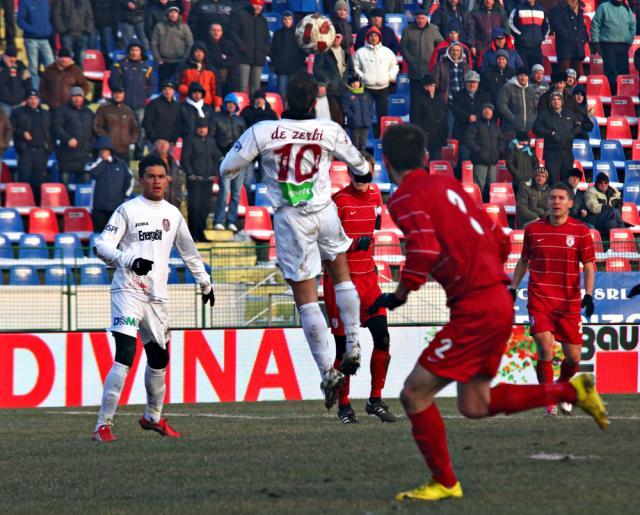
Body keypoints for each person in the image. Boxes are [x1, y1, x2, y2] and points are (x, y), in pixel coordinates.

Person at [371, 123, 607, 503]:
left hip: (477, 306)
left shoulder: (401, 198)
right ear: (427, 158)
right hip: (494, 298)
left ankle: (445, 481)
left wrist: (398, 296)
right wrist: (492, 280)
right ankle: (570, 388)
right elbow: (498, 237)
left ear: (385, 162)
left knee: (414, 393)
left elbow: (423, 250)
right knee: (474, 404)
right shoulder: (450, 188)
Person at [220, 72, 371, 409]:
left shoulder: (263, 130)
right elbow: (363, 171)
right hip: (326, 210)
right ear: (315, 102)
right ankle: (355, 344)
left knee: (306, 298)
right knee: (341, 275)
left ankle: (327, 372)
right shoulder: (329, 130)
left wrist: (258, 161)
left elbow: (227, 168)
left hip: (292, 218)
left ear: (285, 102)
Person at [91, 154, 215, 442]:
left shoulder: (172, 214)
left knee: (159, 358)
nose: (157, 181)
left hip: (157, 296)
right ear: (141, 179)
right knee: (125, 355)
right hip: (129, 290)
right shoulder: (127, 210)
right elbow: (101, 246)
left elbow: (189, 251)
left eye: (161, 176)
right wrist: (130, 260)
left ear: (167, 179)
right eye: (151, 176)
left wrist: (205, 282)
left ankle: (153, 418)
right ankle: (102, 426)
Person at [511, 181, 597, 417]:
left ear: (570, 203)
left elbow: (589, 266)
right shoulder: (533, 230)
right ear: (546, 202)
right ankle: (549, 400)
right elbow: (523, 261)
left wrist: (588, 295)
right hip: (540, 299)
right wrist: (512, 287)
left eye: (561, 198)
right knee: (545, 347)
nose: (556, 202)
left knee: (574, 358)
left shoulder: (580, 231)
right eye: (552, 198)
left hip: (569, 303)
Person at [323, 173, 397, 424]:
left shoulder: (376, 194)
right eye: (356, 173)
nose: (361, 179)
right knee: (344, 350)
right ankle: (344, 406)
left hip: (368, 282)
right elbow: (326, 244)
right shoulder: (339, 201)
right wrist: (355, 245)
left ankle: (375, 400)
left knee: (383, 338)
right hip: (342, 282)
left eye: (365, 174)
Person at [111, 40, 157, 159]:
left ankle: (138, 154)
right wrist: (120, 93)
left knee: (140, 131)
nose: (134, 52)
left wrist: (145, 96)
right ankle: (121, 154)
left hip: (140, 105)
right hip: (123, 104)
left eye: (137, 50)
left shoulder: (147, 67)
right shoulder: (120, 65)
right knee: (121, 130)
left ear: (141, 52)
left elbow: (152, 85)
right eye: (132, 50)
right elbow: (113, 81)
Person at [400, 9, 444, 123]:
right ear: (415, 18)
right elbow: (403, 47)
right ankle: (414, 125)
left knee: (429, 100)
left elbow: (441, 46)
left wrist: (435, 61)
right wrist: (410, 60)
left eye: (422, 18)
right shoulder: (407, 30)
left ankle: (428, 124)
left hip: (430, 73)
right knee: (415, 103)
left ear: (426, 19)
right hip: (414, 73)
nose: (420, 20)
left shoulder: (433, 29)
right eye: (418, 18)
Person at [354, 26, 399, 133]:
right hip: (367, 88)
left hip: (383, 88)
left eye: (376, 35)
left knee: (382, 114)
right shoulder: (360, 52)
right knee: (365, 113)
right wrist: (363, 77)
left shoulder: (387, 52)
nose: (373, 38)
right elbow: (355, 67)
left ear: (379, 38)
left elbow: (395, 66)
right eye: (371, 35)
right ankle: (366, 138)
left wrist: (389, 76)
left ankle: (381, 136)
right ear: (367, 38)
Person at [212, 93, 246, 231]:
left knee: (236, 192)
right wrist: (220, 156)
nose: (230, 105)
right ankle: (219, 220)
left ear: (236, 105)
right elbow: (213, 140)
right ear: (224, 104)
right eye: (228, 103)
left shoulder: (240, 120)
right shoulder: (217, 119)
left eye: (233, 103)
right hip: (224, 160)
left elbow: (246, 140)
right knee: (225, 191)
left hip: (239, 161)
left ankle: (231, 220)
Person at [182, 118, 220, 241]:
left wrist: (214, 172)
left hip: (207, 180)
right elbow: (185, 159)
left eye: (204, 127)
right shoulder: (189, 140)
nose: (202, 130)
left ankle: (201, 233)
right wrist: (191, 173)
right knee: (194, 207)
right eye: (200, 127)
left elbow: (216, 158)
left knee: (205, 207)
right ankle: (192, 234)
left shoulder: (211, 141)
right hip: (194, 181)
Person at [10, 89, 51, 204]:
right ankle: (22, 204)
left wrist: (49, 148)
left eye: (36, 98)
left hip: (41, 151)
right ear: (26, 100)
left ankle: (37, 206)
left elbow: (50, 132)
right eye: (31, 98)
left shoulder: (46, 114)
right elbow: (11, 129)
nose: (33, 101)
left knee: (38, 182)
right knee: (24, 180)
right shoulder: (18, 112)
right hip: (25, 150)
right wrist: (22, 133)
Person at [85, 136, 133, 232]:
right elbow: (92, 173)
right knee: (98, 235)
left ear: (110, 150)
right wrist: (102, 160)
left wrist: (123, 195)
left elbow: (130, 180)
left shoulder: (121, 164)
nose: (103, 152)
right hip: (98, 208)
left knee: (115, 235)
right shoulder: (91, 163)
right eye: (101, 150)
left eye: (106, 149)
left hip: (116, 208)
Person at [532, 91, 581, 184]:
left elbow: (578, 124)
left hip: (567, 152)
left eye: (558, 99)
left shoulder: (569, 113)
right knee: (551, 181)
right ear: (550, 102)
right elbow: (536, 128)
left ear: (562, 101)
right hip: (552, 153)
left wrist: (572, 134)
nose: (556, 101)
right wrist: (550, 133)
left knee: (568, 181)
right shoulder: (544, 115)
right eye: (553, 99)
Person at [591, 0, 636, 95]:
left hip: (623, 45)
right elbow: (595, 24)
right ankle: (611, 95)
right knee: (610, 71)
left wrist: (629, 41)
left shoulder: (627, 8)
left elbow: (633, 25)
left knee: (623, 72)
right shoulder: (603, 7)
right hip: (608, 45)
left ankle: (624, 96)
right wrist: (596, 42)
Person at [51, 86, 94, 184]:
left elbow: (94, 131)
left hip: (84, 156)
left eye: (79, 96)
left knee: (83, 189)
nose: (77, 98)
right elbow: (56, 128)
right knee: (64, 187)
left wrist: (91, 145)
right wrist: (67, 139)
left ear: (83, 97)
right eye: (74, 96)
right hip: (67, 155)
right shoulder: (62, 111)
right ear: (70, 97)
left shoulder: (88, 112)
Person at [465, 103, 504, 201]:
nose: (488, 112)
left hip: (493, 161)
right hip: (480, 161)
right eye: (485, 110)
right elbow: (469, 140)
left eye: (490, 110)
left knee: (492, 186)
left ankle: (490, 208)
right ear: (481, 112)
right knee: (479, 186)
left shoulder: (496, 126)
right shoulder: (475, 124)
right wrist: (479, 151)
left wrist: (499, 151)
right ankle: (477, 207)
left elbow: (502, 140)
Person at [231, 0, 270, 96]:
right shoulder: (241, 15)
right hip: (243, 57)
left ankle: (254, 109)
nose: (257, 7)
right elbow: (233, 33)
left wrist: (264, 50)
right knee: (242, 87)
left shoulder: (263, 20)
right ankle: (242, 109)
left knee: (256, 89)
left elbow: (267, 38)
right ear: (251, 4)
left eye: (260, 5)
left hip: (258, 58)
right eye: (255, 4)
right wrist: (241, 47)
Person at [94, 81, 139, 163]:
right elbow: (97, 126)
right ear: (112, 94)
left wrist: (131, 140)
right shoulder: (104, 109)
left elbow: (135, 129)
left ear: (124, 94)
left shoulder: (128, 111)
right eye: (115, 93)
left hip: (124, 150)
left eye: (120, 93)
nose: (118, 95)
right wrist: (106, 140)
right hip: (108, 150)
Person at [17, 0, 55, 91]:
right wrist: (32, 30)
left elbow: (49, 17)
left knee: (51, 67)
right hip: (31, 40)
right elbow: (20, 20)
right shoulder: (25, 2)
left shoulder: (45, 2)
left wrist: (49, 30)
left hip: (45, 39)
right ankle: (36, 93)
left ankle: (51, 91)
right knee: (33, 68)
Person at [151, 5, 193, 84]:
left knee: (179, 85)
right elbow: (154, 44)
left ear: (178, 14)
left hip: (180, 62)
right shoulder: (159, 26)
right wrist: (158, 58)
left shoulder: (184, 27)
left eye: (175, 12)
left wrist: (185, 58)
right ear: (167, 14)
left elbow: (190, 43)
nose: (173, 14)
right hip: (164, 62)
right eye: (171, 12)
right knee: (163, 86)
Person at [271, 11, 306, 100]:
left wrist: (299, 64)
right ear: (282, 20)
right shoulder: (277, 33)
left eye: (289, 19)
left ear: (293, 20)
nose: (287, 21)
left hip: (295, 69)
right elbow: (273, 50)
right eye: (285, 19)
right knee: (282, 93)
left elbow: (303, 51)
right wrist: (277, 64)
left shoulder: (298, 34)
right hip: (281, 69)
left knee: (294, 93)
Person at [176, 42, 221, 109]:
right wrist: (189, 91)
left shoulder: (211, 69)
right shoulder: (184, 66)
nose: (199, 54)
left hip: (206, 103)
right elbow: (176, 83)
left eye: (201, 52)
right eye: (197, 51)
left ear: (205, 54)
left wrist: (217, 104)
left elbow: (216, 88)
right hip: (187, 102)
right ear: (192, 53)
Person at [414, 74, 448, 160]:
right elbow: (415, 120)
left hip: (438, 138)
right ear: (423, 87)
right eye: (427, 86)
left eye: (432, 86)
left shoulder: (439, 99)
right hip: (424, 139)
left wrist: (444, 133)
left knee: (436, 164)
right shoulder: (418, 99)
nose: (430, 89)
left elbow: (444, 117)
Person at [497, 65, 537, 139]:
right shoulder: (508, 87)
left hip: (527, 130)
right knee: (512, 150)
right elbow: (501, 105)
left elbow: (535, 108)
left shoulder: (530, 90)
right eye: (521, 75)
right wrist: (513, 119)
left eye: (525, 76)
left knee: (526, 150)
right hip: (510, 129)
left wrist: (532, 120)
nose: (523, 78)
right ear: (517, 76)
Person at [549, 0, 588, 76]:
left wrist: (584, 38)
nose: (574, 3)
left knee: (577, 77)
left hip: (578, 50)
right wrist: (572, 38)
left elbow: (582, 27)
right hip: (565, 50)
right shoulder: (557, 9)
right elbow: (558, 27)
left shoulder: (580, 11)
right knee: (564, 76)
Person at [584, 172, 626, 242]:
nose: (603, 185)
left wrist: (615, 211)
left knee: (612, 222)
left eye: (605, 182)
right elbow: (594, 207)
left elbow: (619, 203)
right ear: (597, 183)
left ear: (608, 183)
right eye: (600, 183)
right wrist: (610, 209)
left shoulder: (614, 192)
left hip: (610, 219)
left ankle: (612, 246)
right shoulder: (590, 191)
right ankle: (624, 234)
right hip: (595, 220)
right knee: (614, 211)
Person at [313, 30, 355, 100]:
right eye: (333, 36)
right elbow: (317, 69)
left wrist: (350, 82)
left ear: (342, 38)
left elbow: (351, 70)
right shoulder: (323, 52)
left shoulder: (346, 53)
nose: (335, 39)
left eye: (338, 37)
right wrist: (328, 80)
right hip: (330, 90)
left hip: (345, 90)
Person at [509, 0, 549, 69]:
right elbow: (510, 23)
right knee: (523, 72)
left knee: (537, 71)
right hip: (521, 47)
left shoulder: (541, 9)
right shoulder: (518, 8)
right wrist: (520, 36)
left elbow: (547, 26)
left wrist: (542, 37)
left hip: (536, 47)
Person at [204, 23, 240, 96]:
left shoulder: (229, 44)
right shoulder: (205, 44)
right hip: (213, 76)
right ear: (209, 32)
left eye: (218, 30)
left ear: (222, 32)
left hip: (229, 79)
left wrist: (221, 62)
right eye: (213, 30)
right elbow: (208, 59)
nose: (216, 33)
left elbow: (234, 59)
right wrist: (222, 58)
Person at [143, 79, 181, 146]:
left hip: (170, 142)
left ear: (173, 91)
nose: (167, 91)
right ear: (162, 91)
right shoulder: (154, 104)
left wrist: (174, 139)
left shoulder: (177, 106)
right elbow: (147, 122)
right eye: (165, 89)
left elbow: (178, 124)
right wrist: (154, 139)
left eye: (170, 89)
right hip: (155, 142)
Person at [342, 75, 373, 152]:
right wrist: (352, 116)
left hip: (365, 124)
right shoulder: (347, 95)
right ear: (351, 84)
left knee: (363, 145)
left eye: (357, 82)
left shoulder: (366, 94)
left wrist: (369, 117)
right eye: (353, 83)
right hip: (354, 125)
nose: (356, 84)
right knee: (355, 145)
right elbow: (345, 108)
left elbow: (370, 107)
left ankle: (363, 161)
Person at [151, 138, 183, 209]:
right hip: (156, 201)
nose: (162, 146)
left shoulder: (172, 161)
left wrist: (179, 197)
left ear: (169, 145)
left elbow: (178, 181)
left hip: (172, 199)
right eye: (160, 143)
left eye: (165, 143)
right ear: (155, 145)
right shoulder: (150, 159)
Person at [0, 46, 32, 116]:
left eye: (14, 57)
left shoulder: (21, 65)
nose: (12, 59)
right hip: (4, 103)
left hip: (19, 103)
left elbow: (28, 83)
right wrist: (8, 69)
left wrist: (26, 98)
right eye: (9, 57)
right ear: (4, 56)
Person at [507, 130, 539, 195]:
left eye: (526, 141)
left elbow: (536, 163)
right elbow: (509, 163)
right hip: (517, 180)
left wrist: (532, 174)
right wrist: (516, 174)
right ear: (518, 141)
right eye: (522, 141)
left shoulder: (530, 150)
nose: (524, 143)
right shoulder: (513, 150)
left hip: (530, 179)